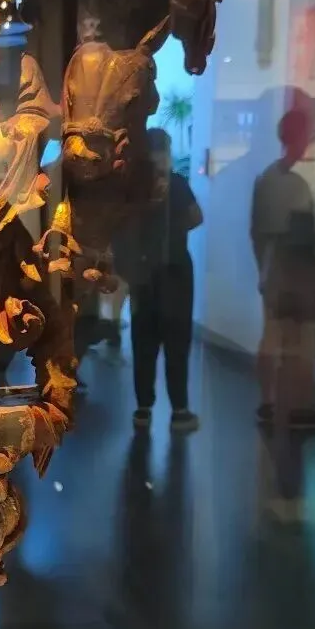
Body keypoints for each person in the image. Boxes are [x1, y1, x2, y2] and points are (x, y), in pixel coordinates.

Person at [250, 106, 315, 430]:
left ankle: (268, 403)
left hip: (275, 262)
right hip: (307, 265)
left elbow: (257, 230)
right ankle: (300, 407)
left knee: (272, 334)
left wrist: (262, 269)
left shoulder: (267, 177)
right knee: (303, 340)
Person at [116, 128, 203, 432]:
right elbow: (196, 217)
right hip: (176, 272)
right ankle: (179, 410)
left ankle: (143, 409)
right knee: (177, 341)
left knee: (144, 339)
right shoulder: (177, 183)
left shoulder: (133, 187)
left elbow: (122, 227)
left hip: (143, 272)